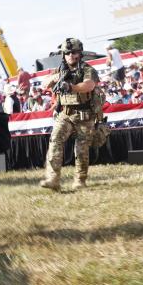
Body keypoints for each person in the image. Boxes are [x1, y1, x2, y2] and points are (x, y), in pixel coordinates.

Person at [39, 38, 100, 191]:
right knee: (55, 141)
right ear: (64, 55)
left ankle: (80, 180)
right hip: (65, 114)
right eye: (69, 53)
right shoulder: (60, 71)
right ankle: (53, 179)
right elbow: (43, 84)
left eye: (75, 52)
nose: (72, 55)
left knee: (81, 149)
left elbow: (89, 85)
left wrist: (70, 86)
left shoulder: (87, 69)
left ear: (80, 53)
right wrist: (57, 78)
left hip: (84, 115)